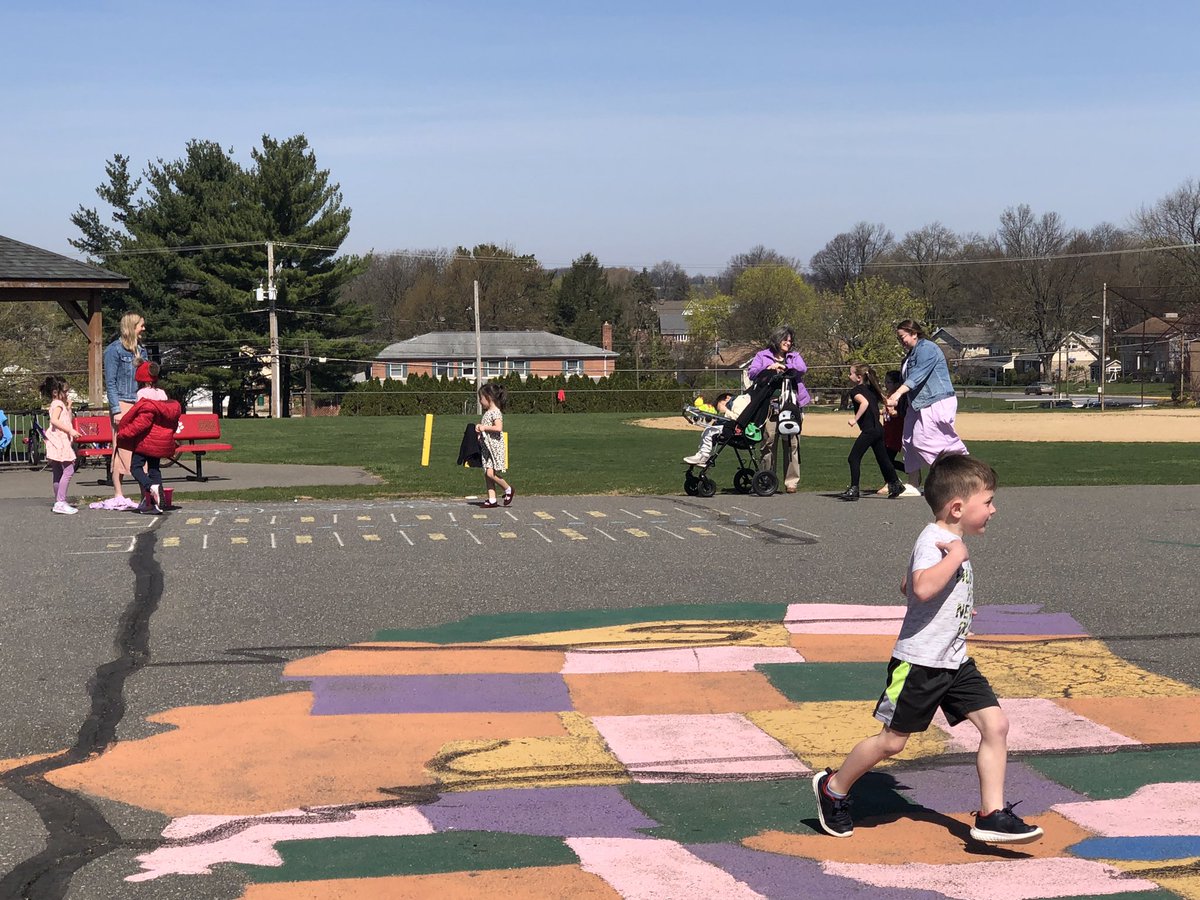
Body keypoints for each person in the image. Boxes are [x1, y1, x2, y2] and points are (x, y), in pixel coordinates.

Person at [812, 455, 1043, 845]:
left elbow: (909, 587)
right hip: (920, 663)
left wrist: (954, 604)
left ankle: (991, 814)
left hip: (954, 660)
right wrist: (953, 558)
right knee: (892, 741)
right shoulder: (940, 543)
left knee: (996, 725)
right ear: (957, 507)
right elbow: (920, 587)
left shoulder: (946, 541)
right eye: (987, 502)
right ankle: (833, 788)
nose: (993, 509)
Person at [885, 320, 967, 492]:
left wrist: (897, 394)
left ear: (914, 333)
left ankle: (959, 472)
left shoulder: (927, 348)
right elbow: (907, 382)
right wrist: (896, 404)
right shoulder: (909, 356)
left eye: (902, 337)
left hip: (936, 400)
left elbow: (918, 375)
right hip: (917, 404)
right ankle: (913, 484)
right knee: (908, 442)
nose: (901, 341)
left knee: (926, 440)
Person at [747, 325, 810, 493]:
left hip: (791, 405)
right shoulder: (762, 355)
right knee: (768, 441)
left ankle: (791, 482)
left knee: (791, 442)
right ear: (777, 339)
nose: (788, 343)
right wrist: (769, 368)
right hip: (770, 405)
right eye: (785, 340)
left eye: (790, 341)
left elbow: (802, 369)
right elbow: (752, 373)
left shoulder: (794, 356)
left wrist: (788, 367)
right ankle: (767, 478)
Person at [116, 366, 181, 515]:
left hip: (145, 441)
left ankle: (150, 487)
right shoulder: (162, 394)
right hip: (159, 441)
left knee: (135, 468)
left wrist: (124, 433)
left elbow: (143, 421)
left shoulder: (142, 394)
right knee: (154, 469)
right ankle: (159, 502)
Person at [839, 364, 904, 501]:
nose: (848, 376)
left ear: (858, 377)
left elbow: (864, 404)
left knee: (853, 458)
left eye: (850, 373)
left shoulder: (856, 391)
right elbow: (886, 401)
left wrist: (855, 419)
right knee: (883, 459)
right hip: (879, 430)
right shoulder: (872, 390)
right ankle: (895, 484)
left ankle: (854, 488)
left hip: (869, 430)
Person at [103, 312, 147, 509]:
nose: (143, 329)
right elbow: (110, 382)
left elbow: (145, 378)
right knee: (121, 447)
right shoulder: (113, 350)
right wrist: (116, 409)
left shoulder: (142, 350)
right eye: (141, 326)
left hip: (138, 402)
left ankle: (145, 492)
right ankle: (118, 493)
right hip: (121, 402)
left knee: (142, 448)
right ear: (132, 327)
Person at [41, 375, 81, 515]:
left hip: (57, 441)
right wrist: (70, 430)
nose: (67, 393)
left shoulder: (60, 405)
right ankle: (61, 501)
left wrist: (69, 408)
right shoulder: (57, 404)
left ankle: (59, 500)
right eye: (65, 391)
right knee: (69, 470)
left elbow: (67, 420)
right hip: (60, 441)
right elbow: (54, 420)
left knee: (58, 472)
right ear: (56, 392)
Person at [876, 370, 915, 495]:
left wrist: (894, 413)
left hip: (895, 432)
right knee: (885, 458)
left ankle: (895, 480)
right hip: (887, 431)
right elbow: (885, 411)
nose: (886, 384)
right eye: (885, 382)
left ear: (897, 384)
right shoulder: (889, 395)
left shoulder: (900, 398)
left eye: (889, 382)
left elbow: (901, 413)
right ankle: (897, 477)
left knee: (887, 459)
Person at [476, 382, 513, 509]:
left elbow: (498, 428)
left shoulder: (496, 412)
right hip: (487, 446)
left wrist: (484, 427)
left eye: (481, 398)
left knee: (491, 474)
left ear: (488, 397)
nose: (480, 401)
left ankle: (508, 489)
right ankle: (492, 499)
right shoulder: (488, 412)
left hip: (494, 447)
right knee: (487, 473)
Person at [683, 392, 734, 466]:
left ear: (727, 398)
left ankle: (704, 456)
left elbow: (737, 418)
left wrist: (726, 411)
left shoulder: (736, 403)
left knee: (709, 431)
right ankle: (701, 455)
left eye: (719, 404)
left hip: (732, 429)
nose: (719, 409)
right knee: (708, 430)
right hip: (730, 427)